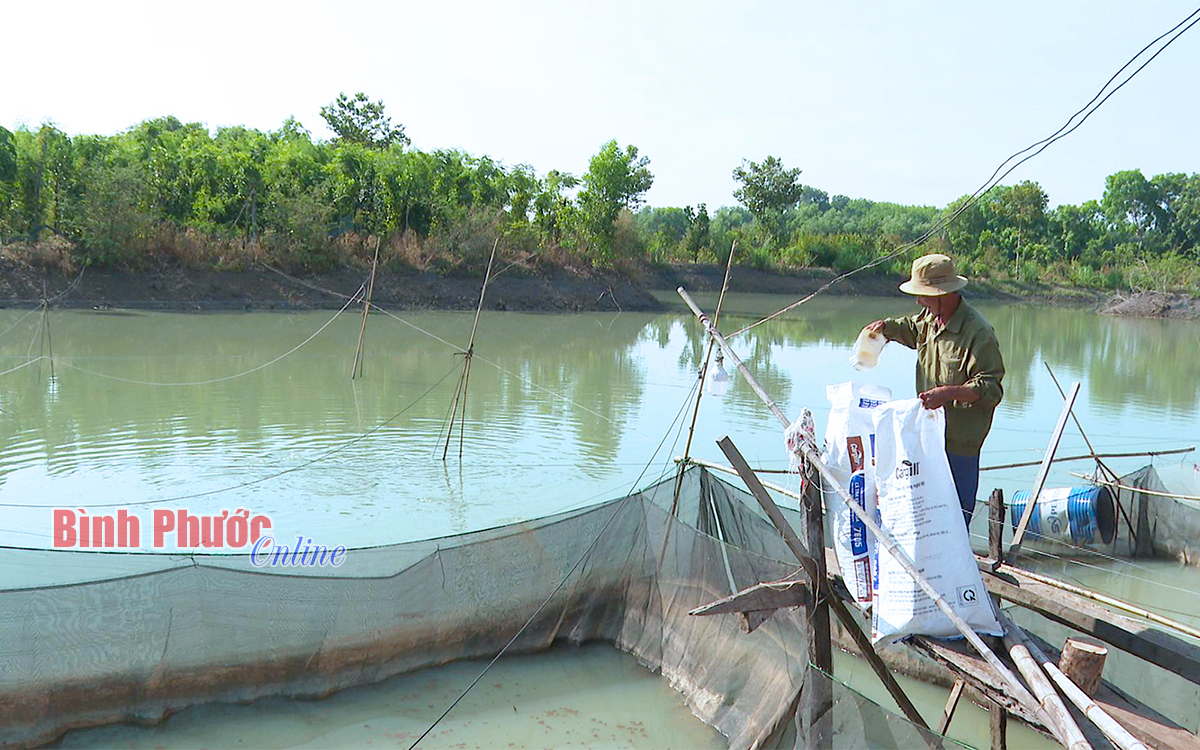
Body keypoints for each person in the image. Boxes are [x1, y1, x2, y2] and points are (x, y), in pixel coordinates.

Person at [865, 253, 1004, 526]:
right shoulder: (929, 319)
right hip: (927, 441)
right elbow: (910, 329)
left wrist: (948, 393)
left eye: (923, 295)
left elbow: (991, 389)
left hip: (959, 447)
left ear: (944, 293)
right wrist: (885, 329)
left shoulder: (978, 333)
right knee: (926, 521)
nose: (918, 300)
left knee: (954, 523)